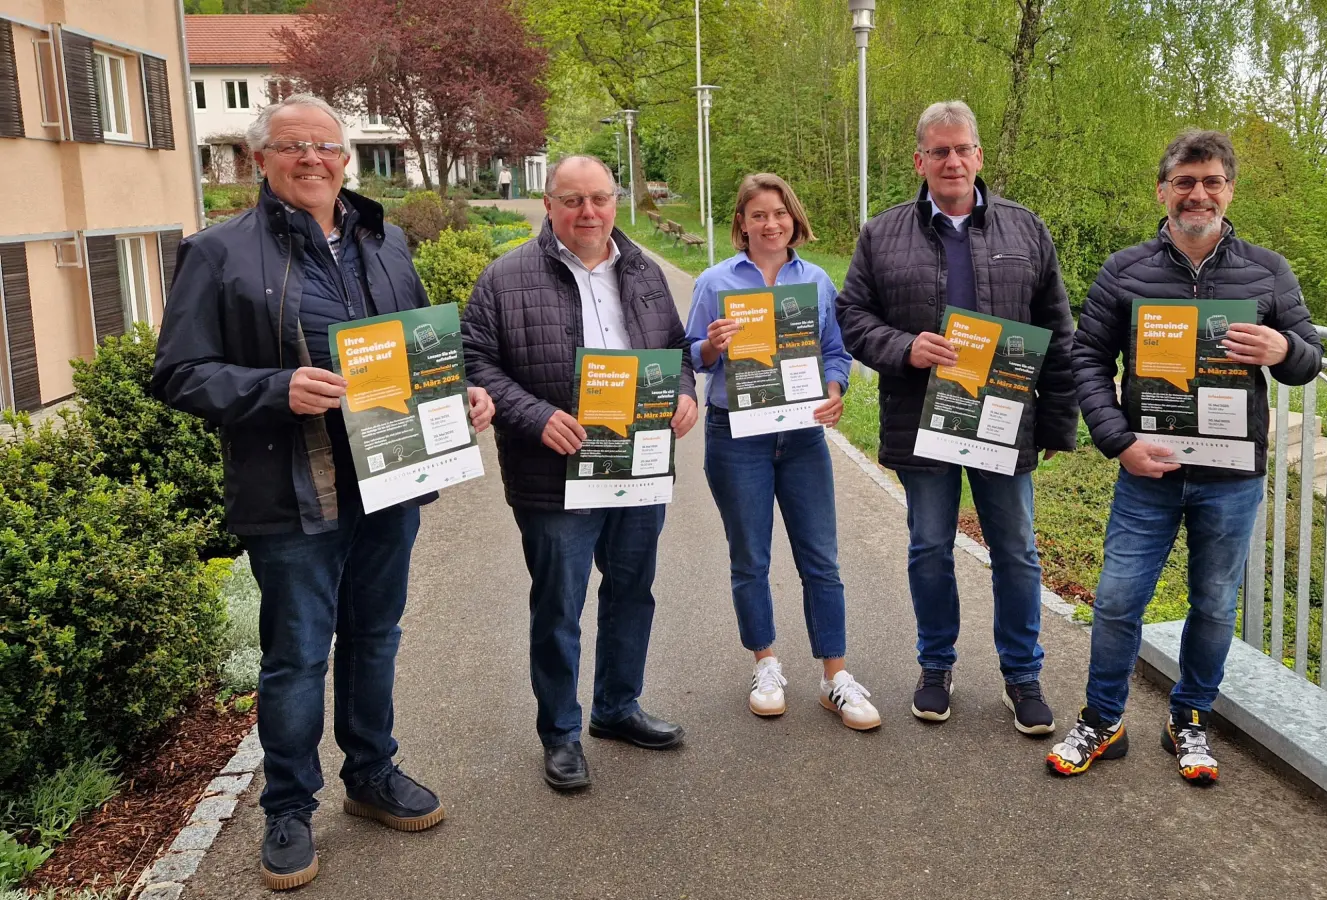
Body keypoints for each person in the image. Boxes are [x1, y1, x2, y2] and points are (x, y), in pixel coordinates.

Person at [152, 93, 494, 891]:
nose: (312, 158)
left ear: (346, 158)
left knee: (376, 636)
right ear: (261, 159)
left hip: (392, 481)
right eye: (293, 145)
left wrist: (463, 394)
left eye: (326, 145)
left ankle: (371, 774)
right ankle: (288, 808)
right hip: (291, 492)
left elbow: (419, 349)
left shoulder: (386, 240)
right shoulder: (218, 252)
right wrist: (275, 388)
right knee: (298, 656)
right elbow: (177, 372)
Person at [1049, 129, 1323, 786]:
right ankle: (1103, 719)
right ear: (1163, 190)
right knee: (1117, 600)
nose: (1198, 193)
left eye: (1212, 181)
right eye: (1185, 181)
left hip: (1230, 479)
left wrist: (1283, 351)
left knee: (1213, 603)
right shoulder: (1125, 270)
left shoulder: (1268, 270)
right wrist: (1119, 441)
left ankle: (1190, 716)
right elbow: (1086, 358)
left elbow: (1310, 358)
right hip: (1149, 469)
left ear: (1229, 190)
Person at [836, 100, 1078, 736]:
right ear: (920, 160)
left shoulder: (1026, 230)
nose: (952, 160)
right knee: (929, 550)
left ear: (978, 155)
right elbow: (852, 319)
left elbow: (1058, 329)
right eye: (938, 151)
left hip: (1004, 419)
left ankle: (1022, 676)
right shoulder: (881, 234)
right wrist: (905, 348)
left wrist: (1056, 421)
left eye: (962, 148)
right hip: (923, 419)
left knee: (1017, 553)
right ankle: (935, 668)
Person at [461, 155, 699, 792]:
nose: (588, 212)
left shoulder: (644, 270)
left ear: (615, 201)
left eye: (599, 198)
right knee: (559, 606)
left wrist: (684, 394)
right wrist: (534, 415)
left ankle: (617, 708)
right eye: (573, 200)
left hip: (637, 464)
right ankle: (561, 733)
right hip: (552, 470)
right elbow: (474, 362)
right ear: (548, 204)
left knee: (631, 591)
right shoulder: (505, 277)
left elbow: (674, 353)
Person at [685, 173, 880, 731]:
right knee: (751, 558)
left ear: (793, 218)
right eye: (759, 215)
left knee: (822, 558)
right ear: (741, 224)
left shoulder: (816, 280)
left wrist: (837, 390)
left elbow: (835, 351)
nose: (771, 224)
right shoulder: (715, 280)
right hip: (735, 435)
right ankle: (765, 665)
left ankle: (834, 677)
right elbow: (688, 355)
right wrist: (709, 345)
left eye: (780, 214)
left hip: (801, 436)